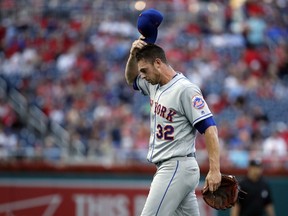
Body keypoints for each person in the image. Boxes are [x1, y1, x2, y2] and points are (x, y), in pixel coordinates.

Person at [124, 37, 222, 215]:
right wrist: (132, 55)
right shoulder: (154, 84)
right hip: (173, 167)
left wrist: (215, 169)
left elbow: (210, 128)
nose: (143, 75)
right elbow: (131, 79)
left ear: (158, 63)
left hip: (176, 166)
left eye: (145, 70)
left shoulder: (185, 89)